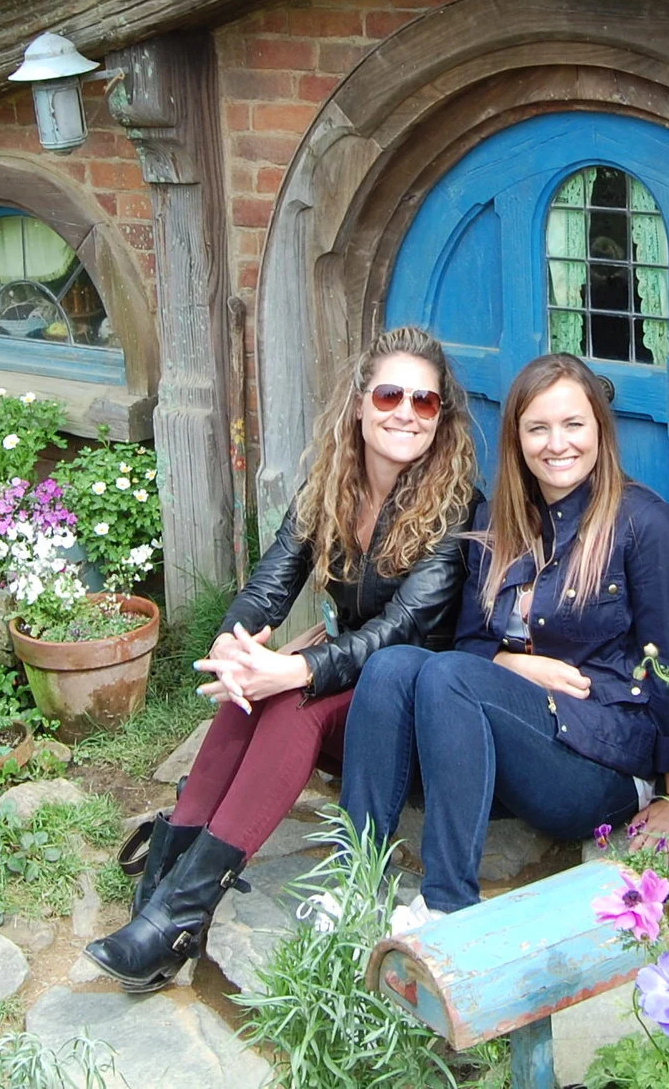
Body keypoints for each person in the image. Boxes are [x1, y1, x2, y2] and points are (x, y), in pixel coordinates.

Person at [84, 325, 482, 992]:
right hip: (347, 680)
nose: (405, 414)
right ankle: (164, 891)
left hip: (403, 711)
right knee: (252, 690)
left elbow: (403, 627)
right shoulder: (331, 483)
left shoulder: (452, 506)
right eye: (390, 395)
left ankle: (180, 914)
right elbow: (274, 580)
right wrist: (234, 643)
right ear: (360, 404)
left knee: (290, 697)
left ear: (441, 419)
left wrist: (296, 669)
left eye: (425, 402)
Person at [340, 352, 669, 915]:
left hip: (597, 762)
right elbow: (470, 644)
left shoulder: (644, 525)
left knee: (451, 677)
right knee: (394, 664)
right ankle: (355, 886)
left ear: (599, 431)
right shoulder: (495, 521)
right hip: (514, 742)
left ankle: (446, 907)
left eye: (573, 425)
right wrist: (510, 665)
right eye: (538, 428)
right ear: (517, 439)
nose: (557, 443)